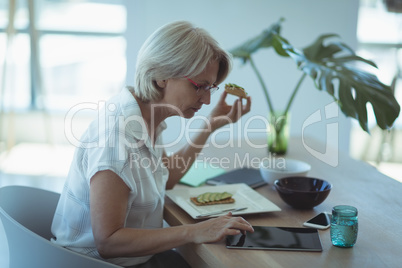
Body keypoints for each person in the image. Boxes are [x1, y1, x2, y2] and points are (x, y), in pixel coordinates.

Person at [51, 20, 253, 267]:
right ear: (161, 76)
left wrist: (211, 125)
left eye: (211, 87)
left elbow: (165, 177)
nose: (208, 99)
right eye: (200, 86)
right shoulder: (116, 139)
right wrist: (195, 231)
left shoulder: (147, 115)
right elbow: (109, 242)